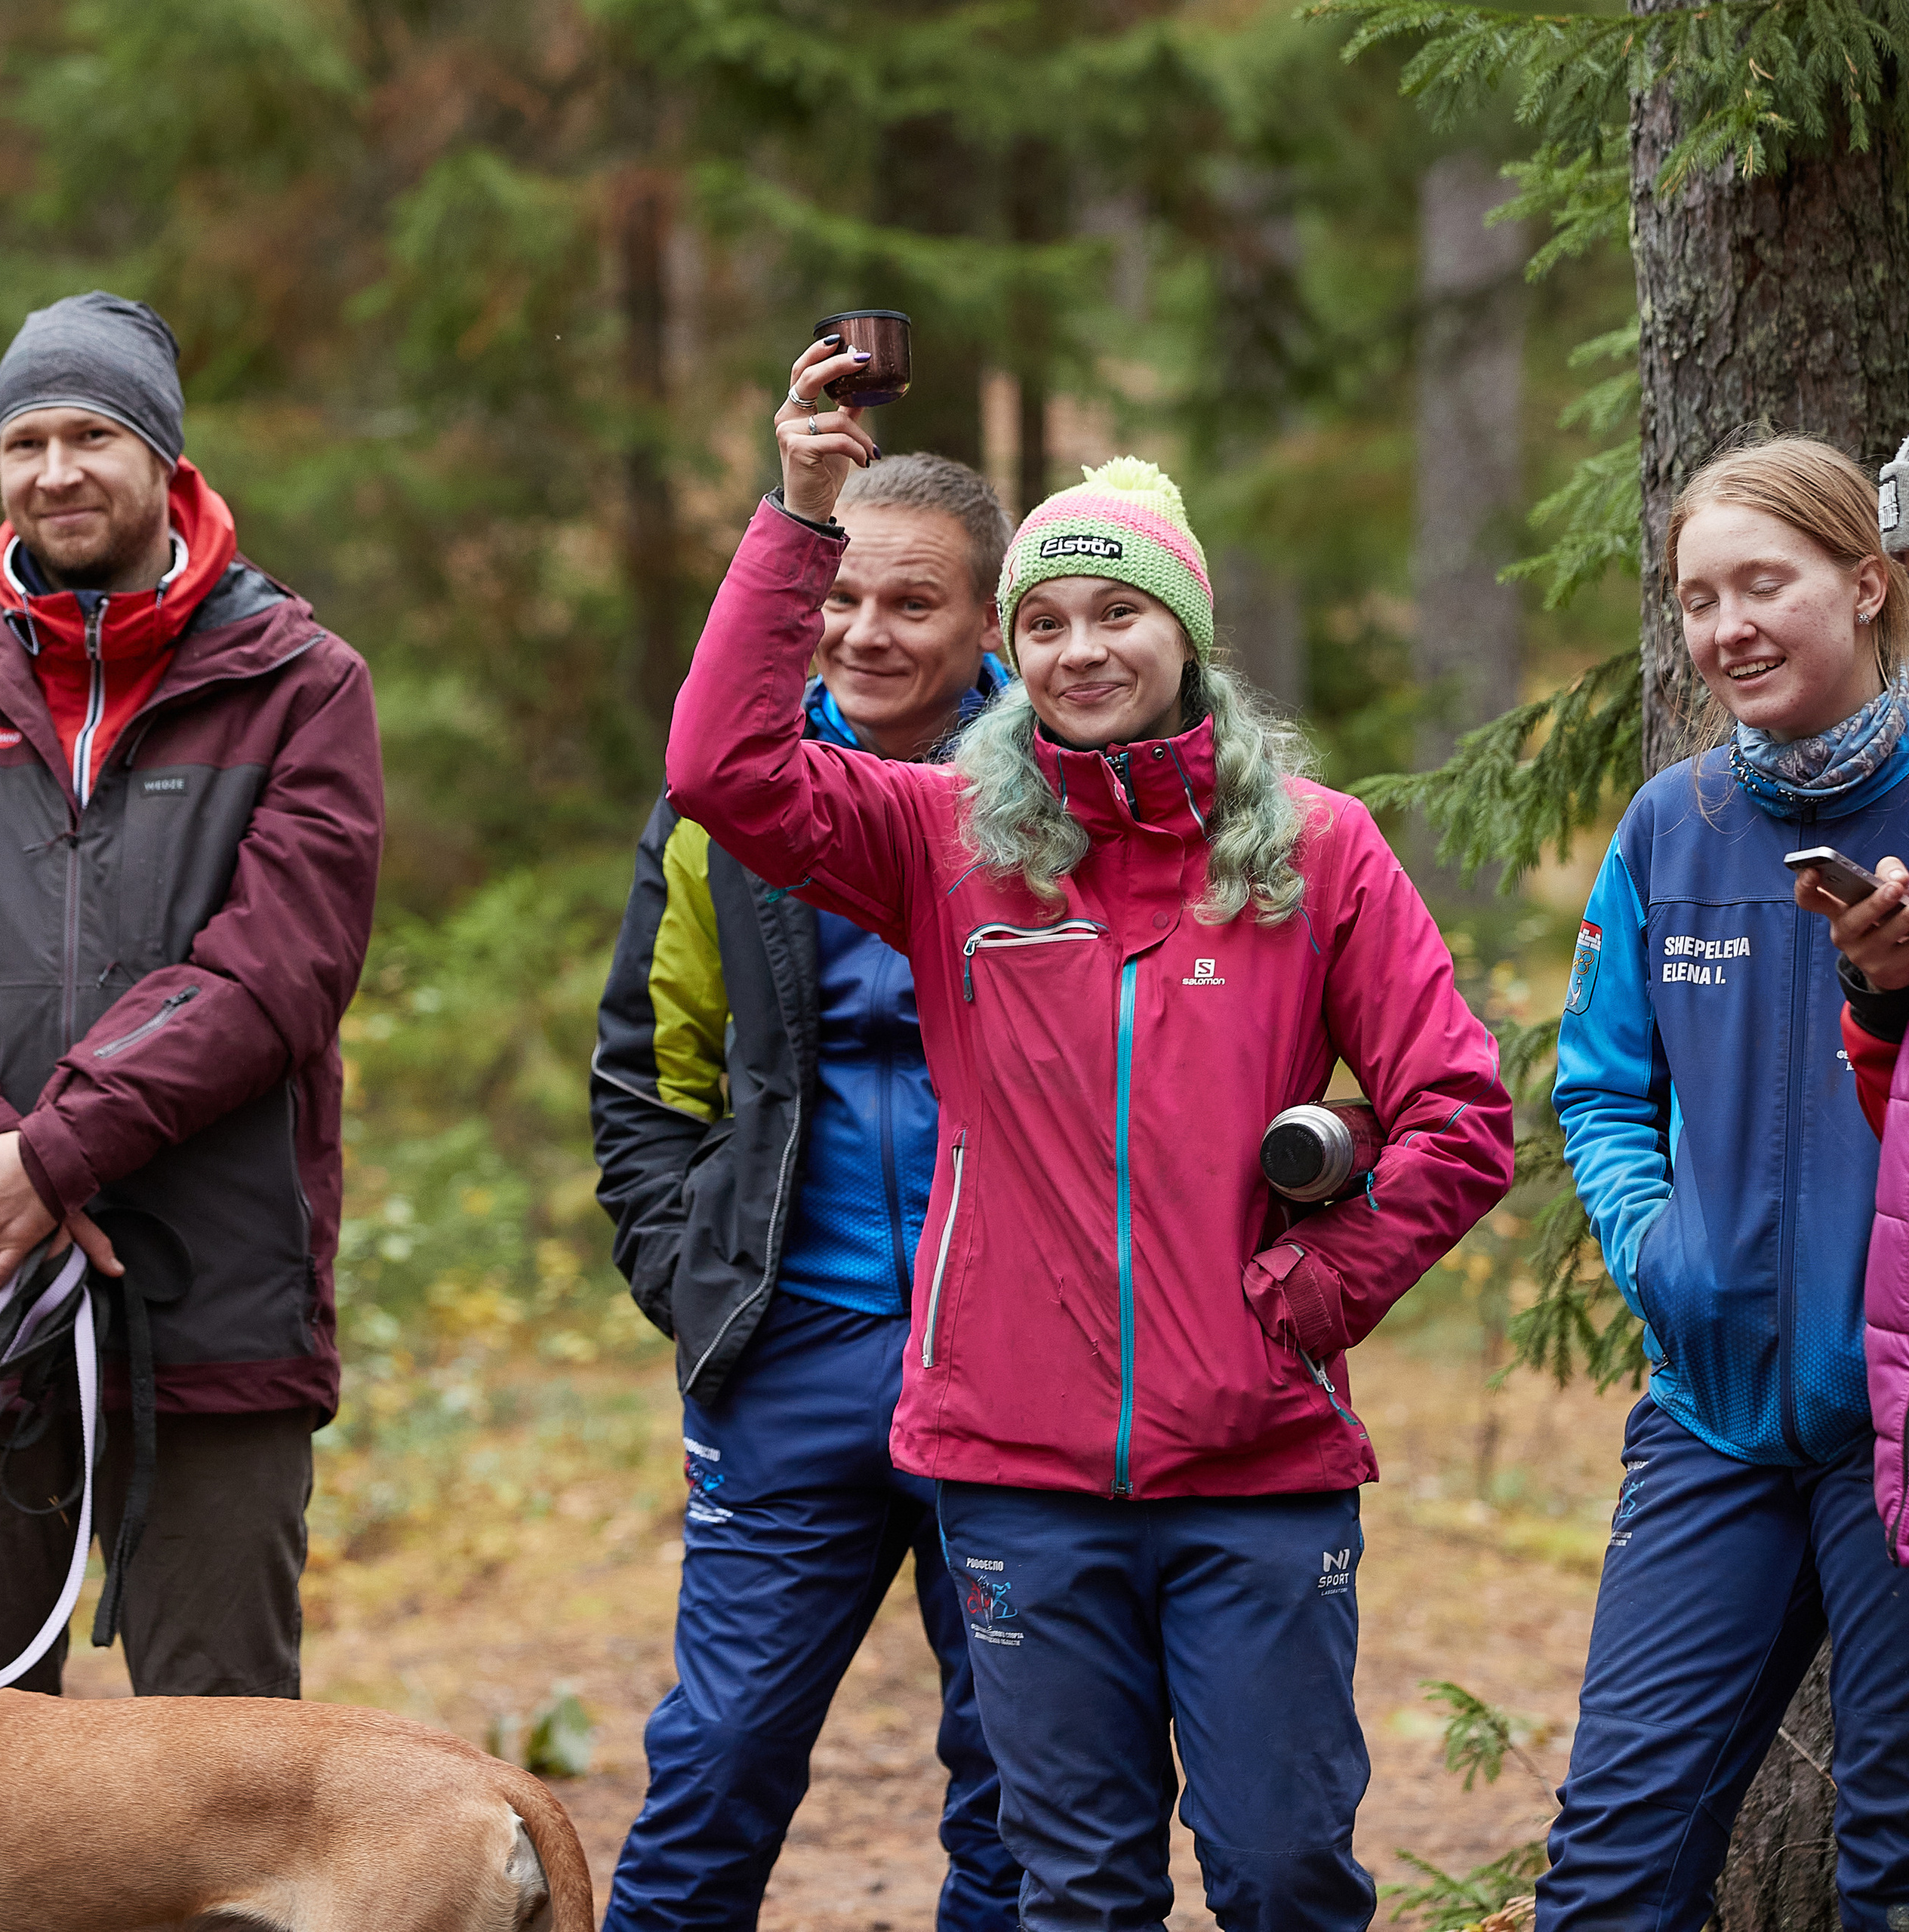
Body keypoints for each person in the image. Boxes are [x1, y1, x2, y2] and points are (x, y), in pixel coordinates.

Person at [657, 335, 1514, 1931]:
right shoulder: (946, 840)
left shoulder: (1315, 851)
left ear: (1183, 634)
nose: (1078, 649)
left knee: (1279, 1872)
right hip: (1015, 1472)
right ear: (1008, 649)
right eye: (1041, 623)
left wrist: (1310, 1297)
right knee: (1075, 1888)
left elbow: (1458, 1110)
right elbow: (717, 767)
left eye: (1116, 612)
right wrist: (799, 518)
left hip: (1253, 1472)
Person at [590, 451, 1024, 1931]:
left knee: (1021, 1785)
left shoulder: (1060, 804)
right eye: (840, 594)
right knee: (714, 1761)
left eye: (914, 600)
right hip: (795, 1350)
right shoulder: (725, 804)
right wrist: (697, 1282)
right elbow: (647, 1078)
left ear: (989, 625)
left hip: (1015, 1361)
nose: (867, 628)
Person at [0, 291, 383, 1697]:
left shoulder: (301, 684)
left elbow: (281, 971)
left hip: (217, 1300)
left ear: (165, 458)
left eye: (92, 432)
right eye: (24, 439)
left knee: (223, 1780)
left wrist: (50, 1153)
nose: (55, 471)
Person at [1545, 433, 1909, 1932]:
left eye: (1763, 582)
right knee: (1610, 1865)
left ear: (1864, 584)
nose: (1724, 626)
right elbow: (1597, 1085)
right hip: (1707, 1414)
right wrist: (1658, 1253)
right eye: (1697, 597)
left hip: (1894, 1422)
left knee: (1889, 1869)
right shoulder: (1667, 823)